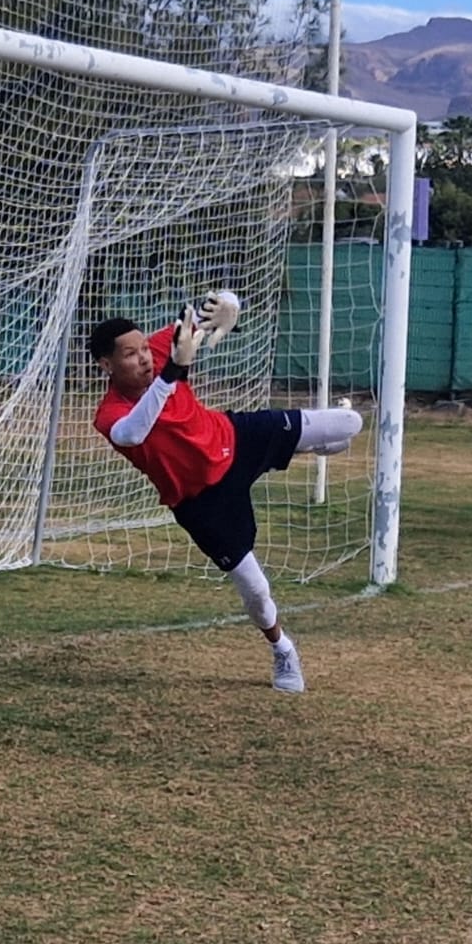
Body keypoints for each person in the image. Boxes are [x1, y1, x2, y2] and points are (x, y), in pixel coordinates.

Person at [88, 296, 363, 693]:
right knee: (256, 591)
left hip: (233, 439)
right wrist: (173, 371)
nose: (145, 358)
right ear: (106, 365)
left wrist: (229, 309)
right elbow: (133, 432)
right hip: (203, 502)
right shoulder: (109, 414)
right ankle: (283, 649)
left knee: (348, 425)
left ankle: (296, 448)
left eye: (145, 347)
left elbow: (215, 304)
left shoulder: (167, 346)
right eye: (130, 355)